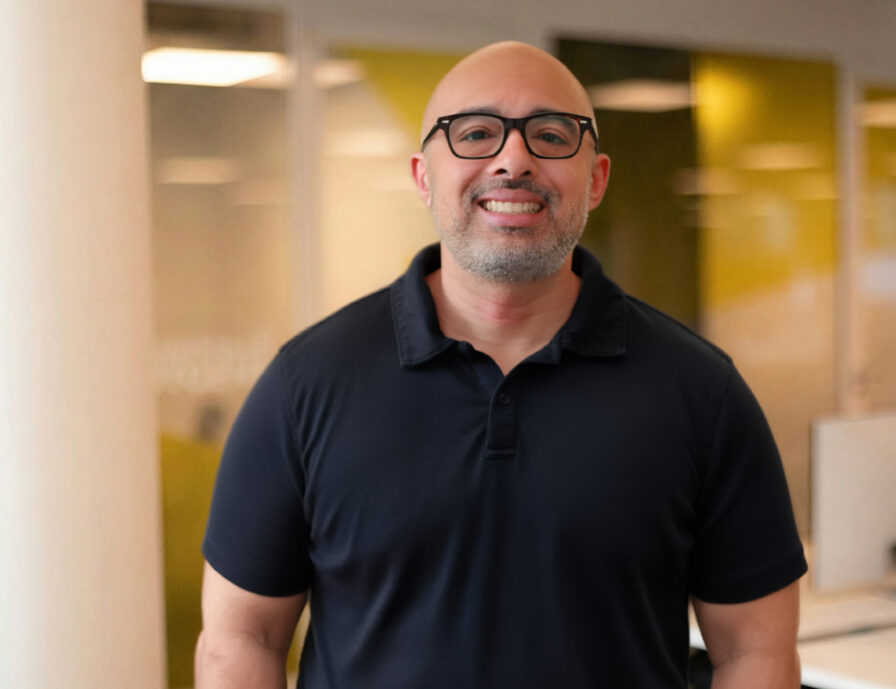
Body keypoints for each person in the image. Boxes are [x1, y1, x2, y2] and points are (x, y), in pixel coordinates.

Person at [195, 41, 807, 689]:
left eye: (551, 135)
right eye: (475, 134)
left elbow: (755, 650)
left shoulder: (701, 392)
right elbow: (242, 638)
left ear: (596, 179)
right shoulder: (305, 383)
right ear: (423, 177)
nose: (514, 159)